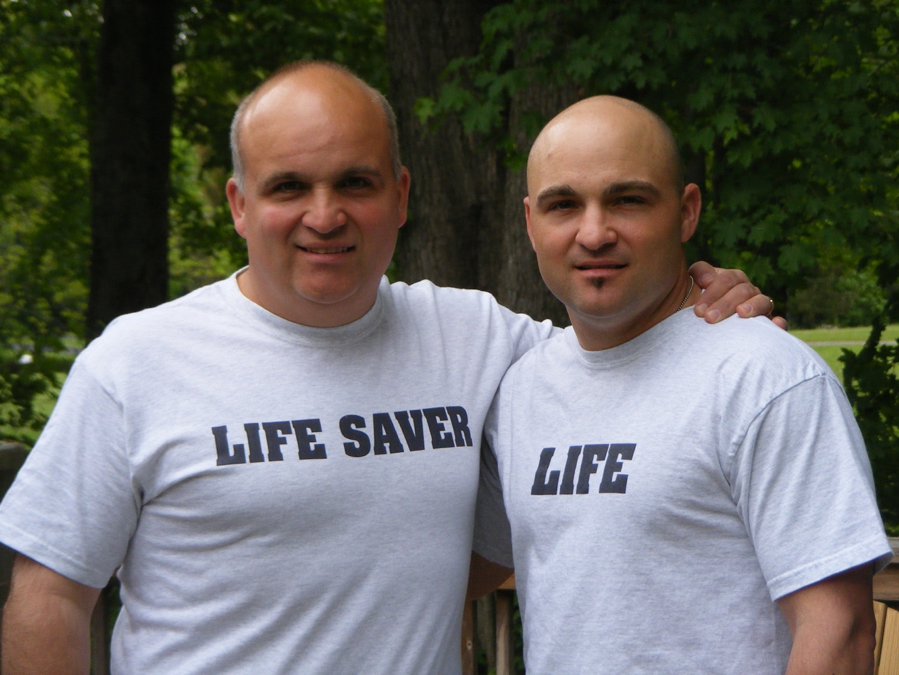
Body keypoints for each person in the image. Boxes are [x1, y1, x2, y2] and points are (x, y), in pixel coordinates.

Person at [0, 63, 776, 674]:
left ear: (400, 195)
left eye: (355, 182)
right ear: (238, 205)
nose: (325, 214)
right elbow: (50, 597)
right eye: (289, 187)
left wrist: (695, 296)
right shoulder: (135, 363)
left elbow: (619, 349)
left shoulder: (477, 339)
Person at [473, 95, 893, 674]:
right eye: (564, 205)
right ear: (529, 222)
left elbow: (839, 633)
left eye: (627, 199)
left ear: (686, 211)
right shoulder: (520, 391)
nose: (594, 233)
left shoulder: (764, 376)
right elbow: (454, 567)